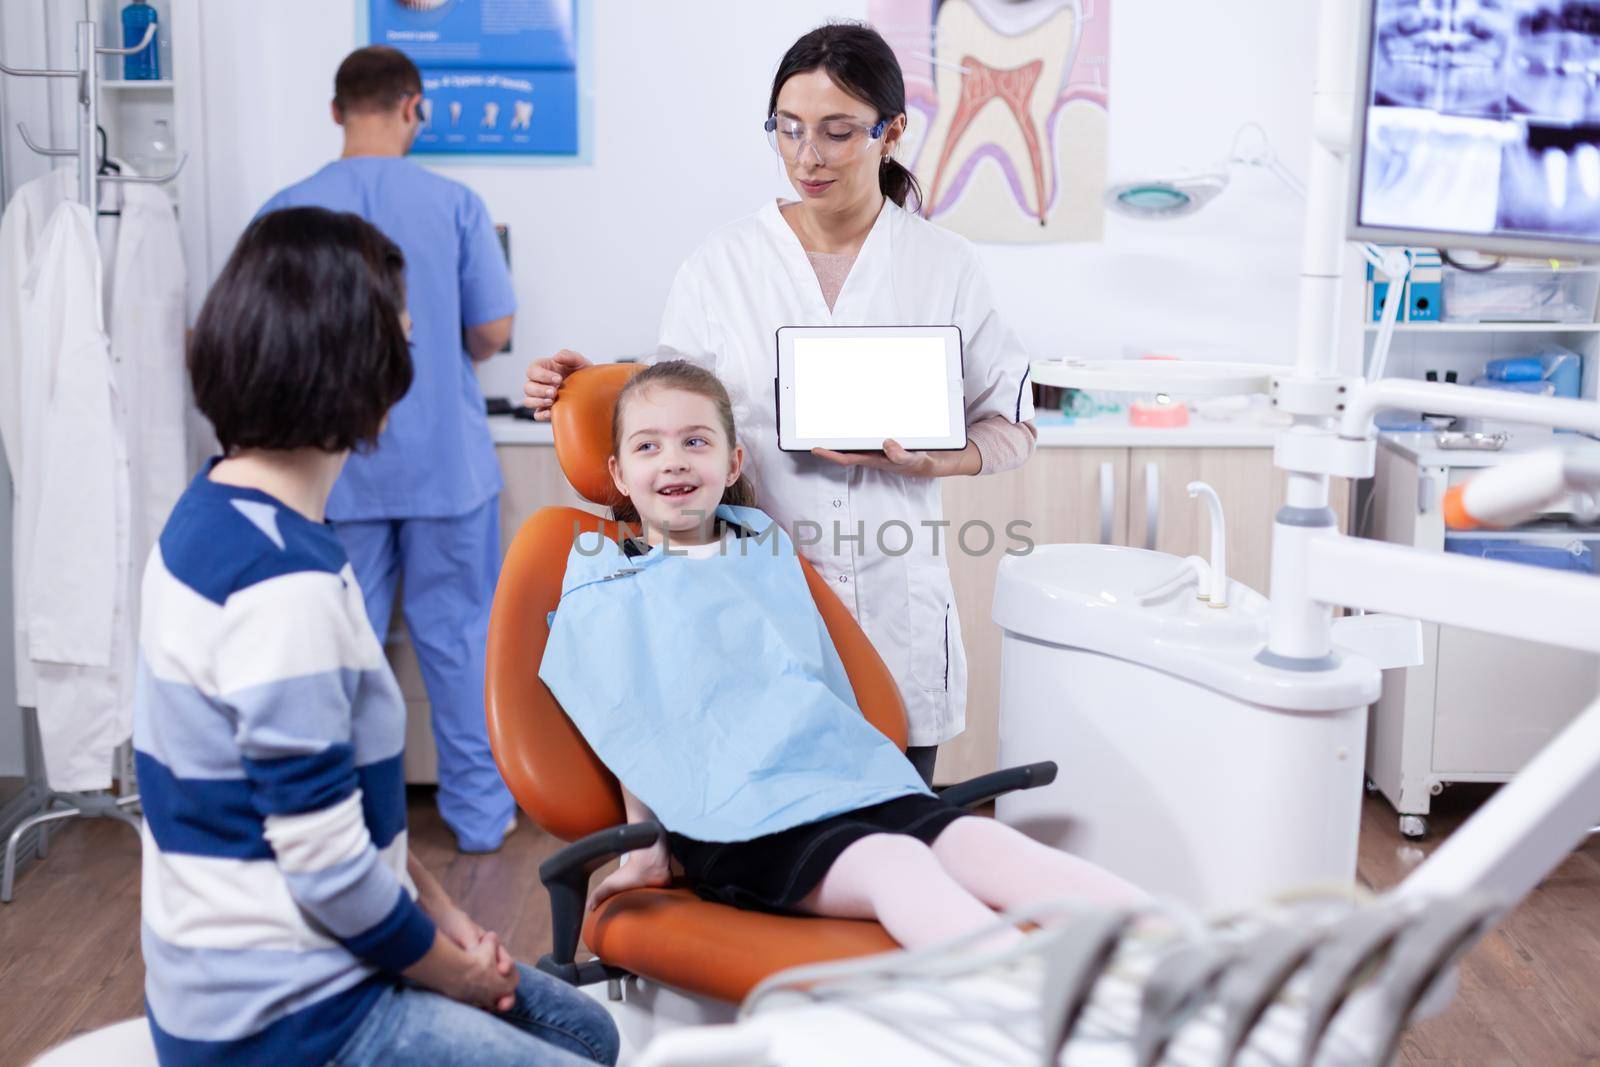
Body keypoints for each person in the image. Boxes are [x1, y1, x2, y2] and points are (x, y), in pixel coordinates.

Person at [134, 207, 618, 1067]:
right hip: (282, 1015)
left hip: (263, 964)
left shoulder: (218, 510)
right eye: (402, 336)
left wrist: (449, 917)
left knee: (589, 1028)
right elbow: (327, 869)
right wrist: (453, 973)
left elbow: (345, 822)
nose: (409, 356)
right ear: (359, 366)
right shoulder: (282, 583)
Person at [525, 23, 1038, 784]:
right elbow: (674, 413)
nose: (808, 156)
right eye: (789, 130)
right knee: (772, 848)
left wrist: (942, 458)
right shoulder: (721, 266)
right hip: (753, 605)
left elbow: (1014, 426)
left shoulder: (944, 266)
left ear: (891, 132)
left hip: (896, 610)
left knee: (891, 837)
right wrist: (596, 378)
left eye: (837, 133)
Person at [539, 362, 1139, 948]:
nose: (673, 459)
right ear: (617, 473)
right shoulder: (609, 585)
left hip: (843, 780)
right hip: (735, 819)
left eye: (695, 441)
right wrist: (647, 853)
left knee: (982, 842)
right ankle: (1032, 1018)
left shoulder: (760, 548)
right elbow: (628, 720)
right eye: (648, 447)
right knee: (896, 864)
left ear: (733, 462)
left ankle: (1185, 954)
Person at [258, 46, 517, 852]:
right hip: (446, 463)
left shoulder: (286, 210)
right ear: (416, 108)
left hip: (335, 471)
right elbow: (493, 332)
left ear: (337, 111)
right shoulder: (456, 202)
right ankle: (479, 821)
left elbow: (270, 335)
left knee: (341, 651)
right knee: (462, 639)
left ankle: (353, 830)